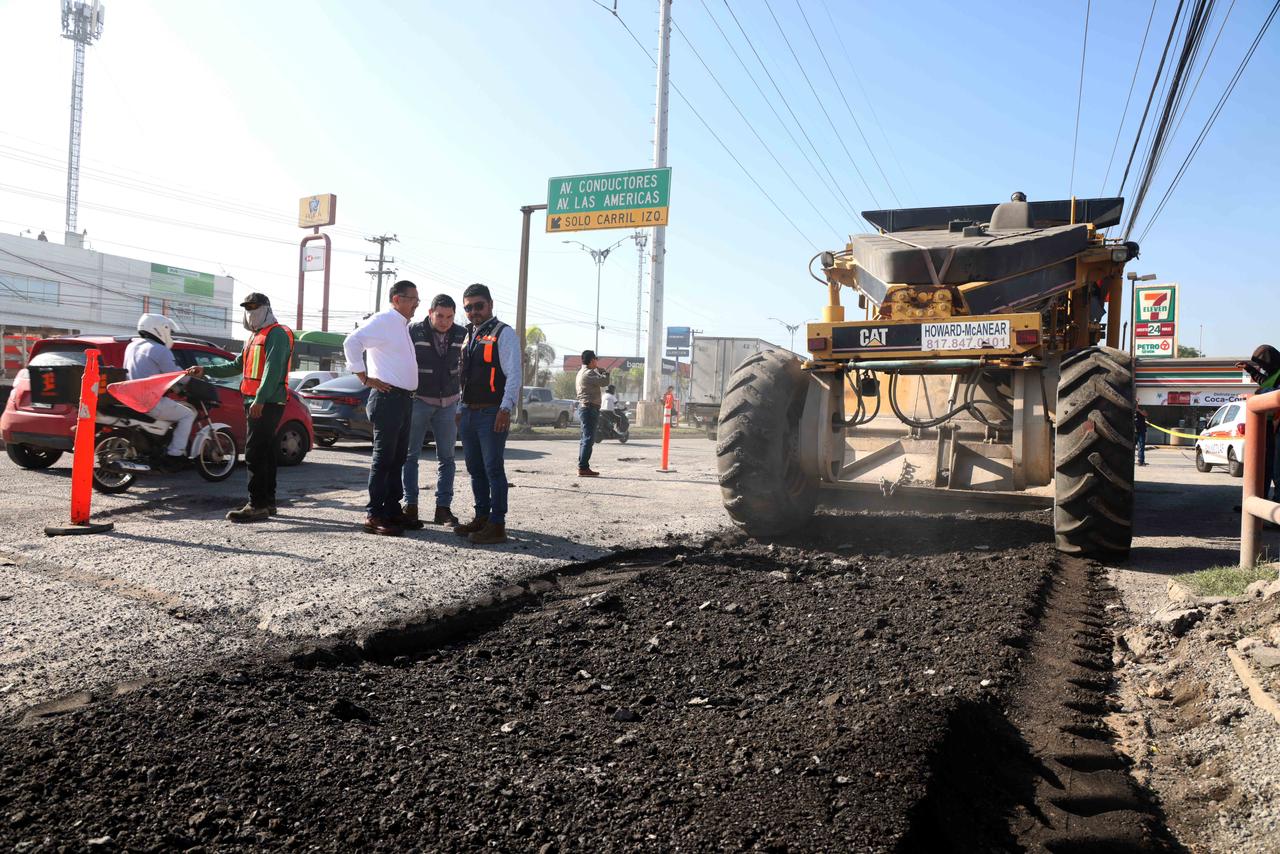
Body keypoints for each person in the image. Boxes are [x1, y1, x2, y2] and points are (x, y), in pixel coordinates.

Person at [189, 294, 294, 522]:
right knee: (264, 452)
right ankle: (267, 503)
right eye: (247, 308)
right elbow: (236, 366)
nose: (250, 312)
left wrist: (260, 399)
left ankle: (256, 505)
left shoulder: (276, 333)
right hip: (255, 401)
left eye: (255, 308)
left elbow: (273, 370)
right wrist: (205, 370)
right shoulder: (253, 338)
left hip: (266, 402)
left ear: (266, 309)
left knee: (255, 453)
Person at [343, 280, 420, 536]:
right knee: (384, 459)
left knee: (397, 458)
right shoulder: (385, 320)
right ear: (397, 299)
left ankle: (391, 510)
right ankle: (374, 514)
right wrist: (363, 376)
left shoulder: (400, 325)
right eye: (412, 299)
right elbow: (352, 342)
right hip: (387, 399)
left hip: (403, 400)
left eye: (417, 299)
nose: (416, 304)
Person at [454, 283, 521, 545]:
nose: (473, 312)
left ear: (490, 304)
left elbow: (514, 374)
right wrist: (460, 407)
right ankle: (481, 516)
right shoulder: (470, 336)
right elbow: (465, 377)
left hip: (492, 412)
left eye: (478, 306)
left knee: (493, 468)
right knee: (475, 468)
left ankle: (497, 523)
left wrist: (506, 408)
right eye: (468, 308)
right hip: (469, 413)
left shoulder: (503, 333)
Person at [401, 294, 467, 528]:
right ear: (430, 313)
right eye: (440, 316)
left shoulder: (462, 333)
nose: (444, 321)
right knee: (410, 456)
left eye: (449, 316)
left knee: (447, 458)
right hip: (418, 400)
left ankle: (443, 509)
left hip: (449, 403)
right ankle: (410, 506)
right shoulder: (413, 331)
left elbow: (466, 367)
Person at [124, 313, 196, 472]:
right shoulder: (159, 349)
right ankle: (175, 455)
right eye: (169, 331)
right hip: (149, 401)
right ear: (160, 329)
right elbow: (177, 376)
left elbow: (149, 374)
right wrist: (192, 379)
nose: (169, 335)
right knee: (187, 414)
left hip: (129, 399)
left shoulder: (131, 346)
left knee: (172, 410)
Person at [575, 351, 609, 477]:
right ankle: (583, 467)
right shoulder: (588, 373)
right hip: (589, 408)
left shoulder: (581, 372)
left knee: (584, 438)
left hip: (585, 408)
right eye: (596, 359)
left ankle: (582, 466)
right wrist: (605, 372)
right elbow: (604, 382)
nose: (597, 361)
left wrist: (598, 370)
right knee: (589, 439)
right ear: (591, 360)